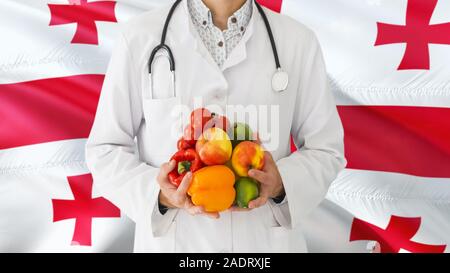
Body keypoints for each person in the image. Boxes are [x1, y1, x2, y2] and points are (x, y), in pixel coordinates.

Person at [86, 0, 346, 252]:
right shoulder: (139, 37)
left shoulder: (297, 41)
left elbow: (325, 148)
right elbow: (105, 149)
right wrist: (160, 196)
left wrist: (281, 184)